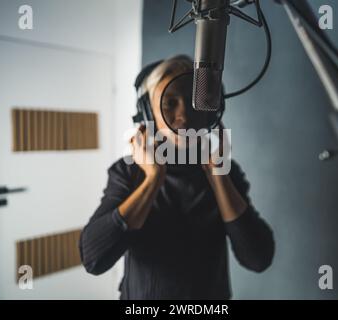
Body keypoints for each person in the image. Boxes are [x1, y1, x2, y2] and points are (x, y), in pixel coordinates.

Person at [79, 55, 275, 299]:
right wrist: (153, 179)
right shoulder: (129, 172)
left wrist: (219, 177)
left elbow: (258, 258)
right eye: (170, 103)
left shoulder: (225, 170)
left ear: (210, 111)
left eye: (194, 103)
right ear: (148, 114)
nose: (184, 116)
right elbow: (94, 259)